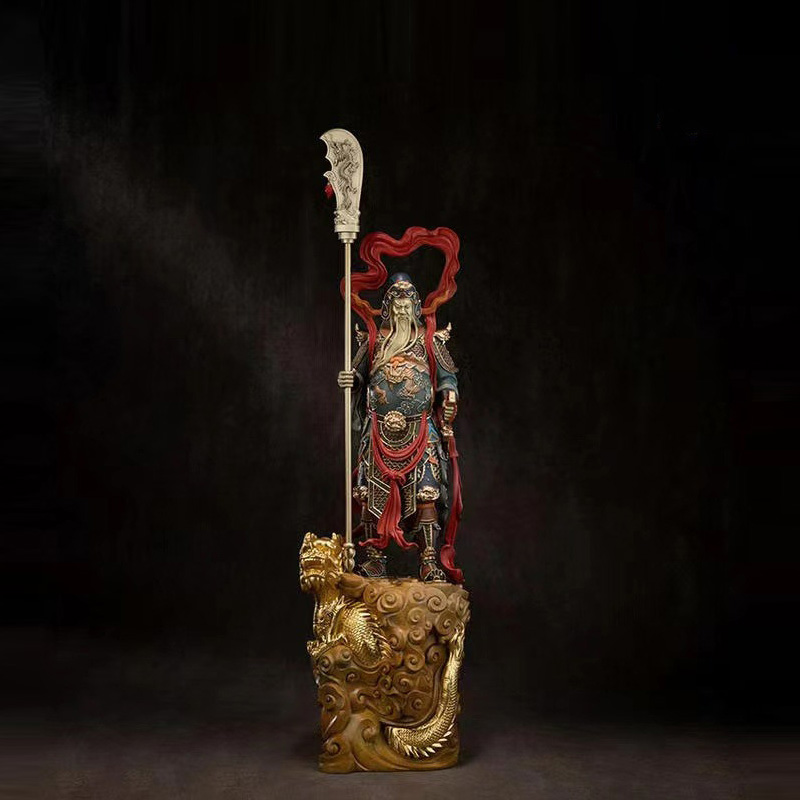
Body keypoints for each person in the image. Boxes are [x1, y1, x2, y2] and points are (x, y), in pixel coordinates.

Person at [337, 273, 459, 582]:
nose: (402, 310)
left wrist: (450, 395)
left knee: (426, 493)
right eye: (396, 304)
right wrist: (351, 379)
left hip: (420, 430)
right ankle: (375, 560)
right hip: (379, 432)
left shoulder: (429, 340)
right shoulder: (375, 340)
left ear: (415, 307)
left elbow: (447, 378)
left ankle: (429, 561)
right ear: (388, 307)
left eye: (406, 304)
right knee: (369, 494)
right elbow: (360, 375)